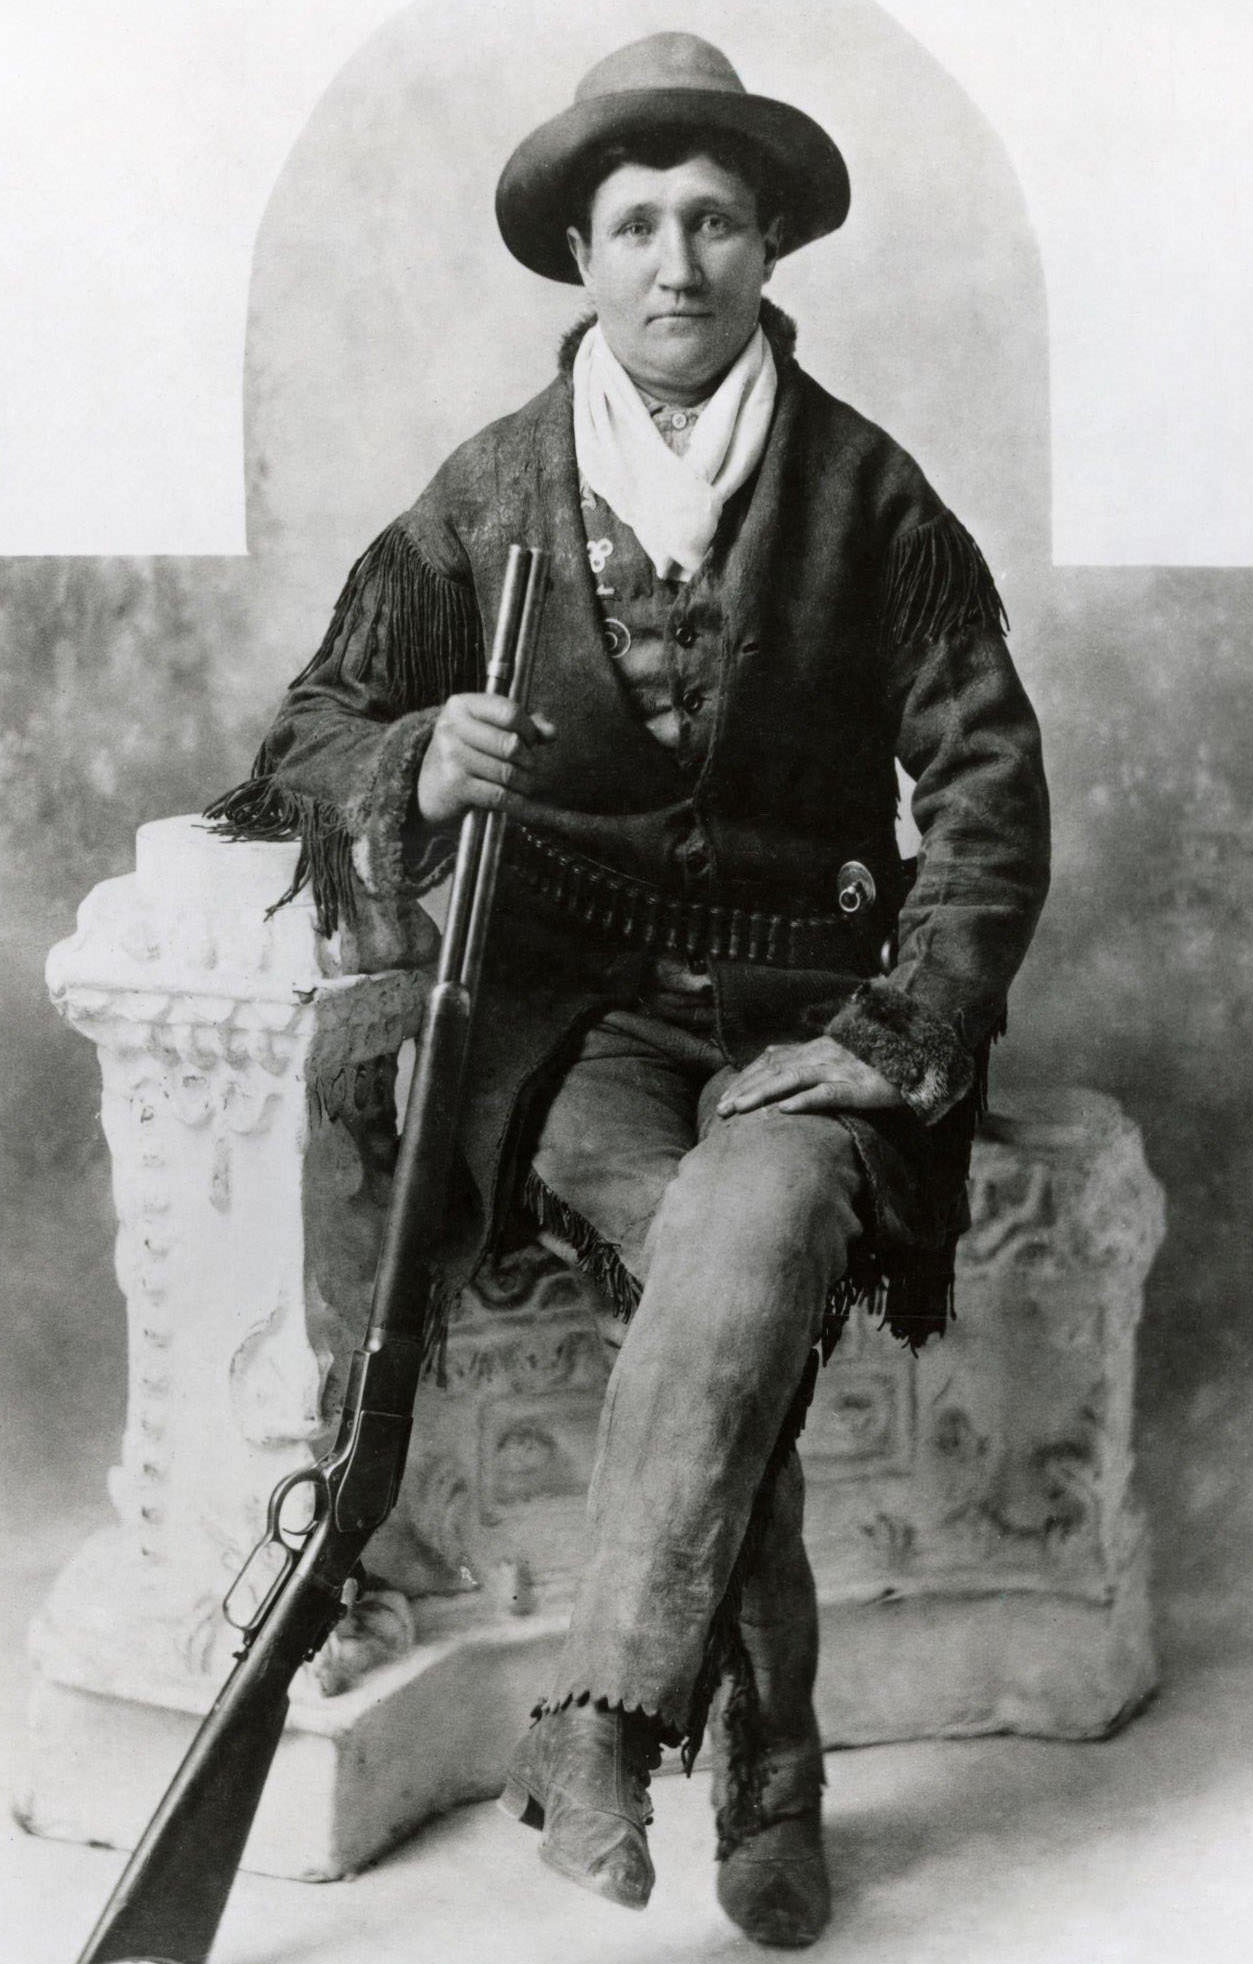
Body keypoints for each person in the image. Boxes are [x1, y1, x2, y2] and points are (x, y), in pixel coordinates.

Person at [208, 31, 1051, 1949]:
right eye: (640, 225)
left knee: (739, 1235)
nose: (678, 263)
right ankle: (767, 1754)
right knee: (713, 1277)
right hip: (571, 1025)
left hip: (805, 1021)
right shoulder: (493, 484)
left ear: (767, 251)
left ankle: (607, 1726)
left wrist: (894, 1038)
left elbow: (990, 799)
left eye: (716, 223)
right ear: (583, 257)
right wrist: (416, 755)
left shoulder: (867, 492)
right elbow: (309, 730)